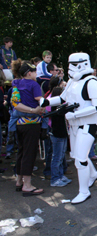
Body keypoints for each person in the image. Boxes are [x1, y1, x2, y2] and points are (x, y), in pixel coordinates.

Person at [40, 53, 97, 204]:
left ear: (83, 64)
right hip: (74, 124)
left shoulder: (92, 82)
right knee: (78, 155)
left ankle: (84, 191)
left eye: (74, 65)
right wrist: (46, 102)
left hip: (88, 124)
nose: (71, 69)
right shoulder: (71, 83)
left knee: (80, 159)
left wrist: (75, 115)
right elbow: (62, 98)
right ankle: (93, 174)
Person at [12, 60, 45, 196]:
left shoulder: (16, 83)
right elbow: (41, 102)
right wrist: (35, 110)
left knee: (21, 151)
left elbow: (15, 103)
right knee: (29, 153)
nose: (37, 74)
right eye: (35, 71)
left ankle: (19, 181)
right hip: (32, 124)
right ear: (29, 73)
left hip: (19, 123)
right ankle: (27, 185)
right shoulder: (34, 84)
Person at [49, 87, 72, 187]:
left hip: (63, 134)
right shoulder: (56, 107)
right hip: (57, 134)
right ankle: (55, 179)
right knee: (57, 158)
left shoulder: (61, 106)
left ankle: (60, 175)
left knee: (61, 156)